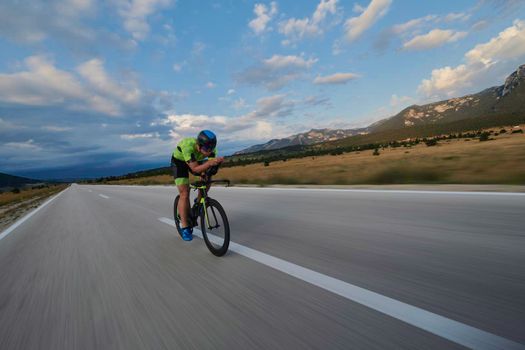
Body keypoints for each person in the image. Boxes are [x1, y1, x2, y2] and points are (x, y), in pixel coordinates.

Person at [171, 130, 224, 241]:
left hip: (195, 161)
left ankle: (199, 202)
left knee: (207, 178)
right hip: (179, 163)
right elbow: (194, 168)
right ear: (198, 145)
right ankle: (185, 227)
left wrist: (213, 167)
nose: (208, 152)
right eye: (205, 149)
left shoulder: (211, 149)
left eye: (211, 149)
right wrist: (209, 163)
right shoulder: (188, 146)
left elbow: (210, 169)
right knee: (184, 193)